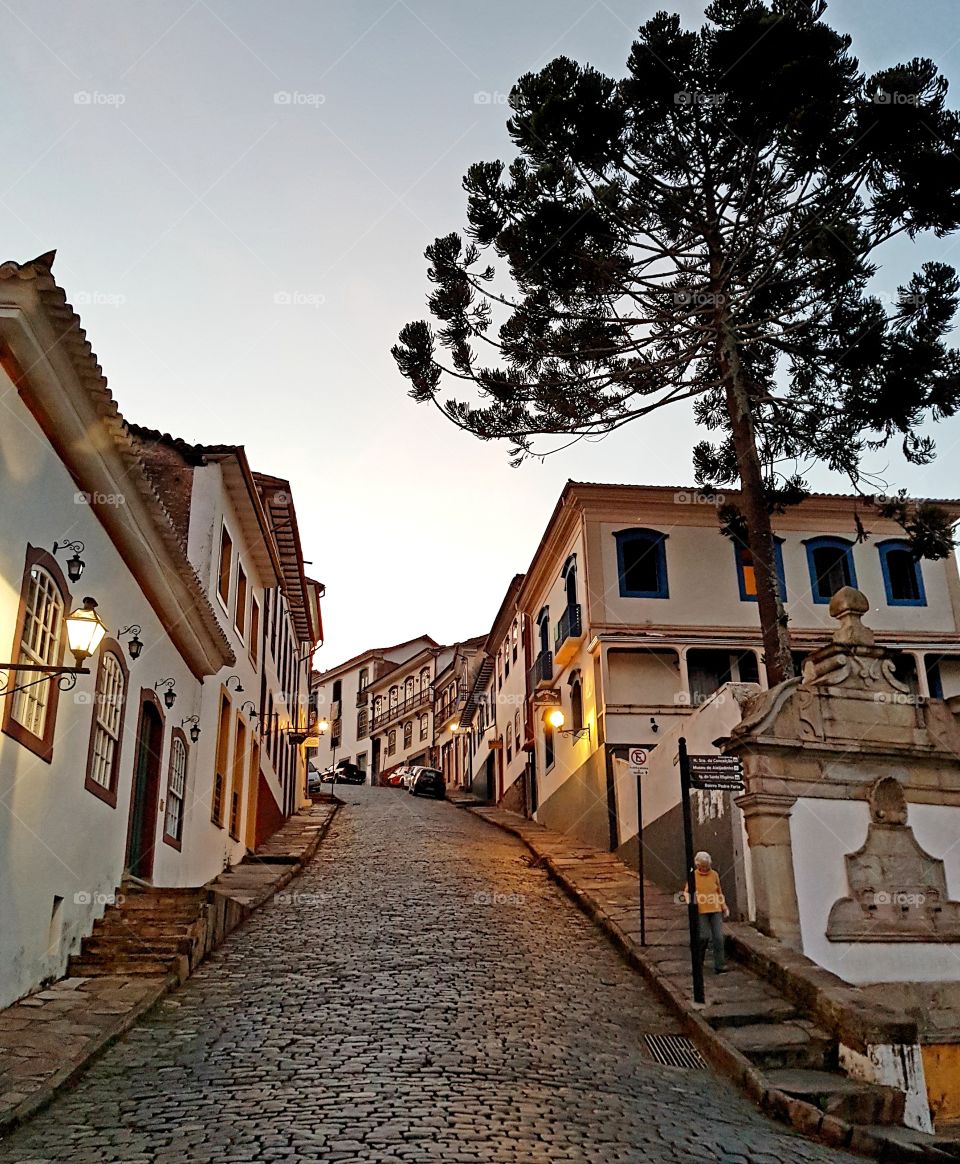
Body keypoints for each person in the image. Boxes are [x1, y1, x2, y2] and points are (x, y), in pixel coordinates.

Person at [682, 851, 730, 973]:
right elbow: (686, 892)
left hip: (715, 909)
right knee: (703, 937)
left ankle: (720, 965)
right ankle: (698, 962)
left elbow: (719, 891)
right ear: (697, 865)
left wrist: (724, 907)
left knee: (718, 937)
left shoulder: (714, 875)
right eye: (702, 866)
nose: (704, 869)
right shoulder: (693, 876)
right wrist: (690, 901)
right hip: (701, 910)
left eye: (706, 866)